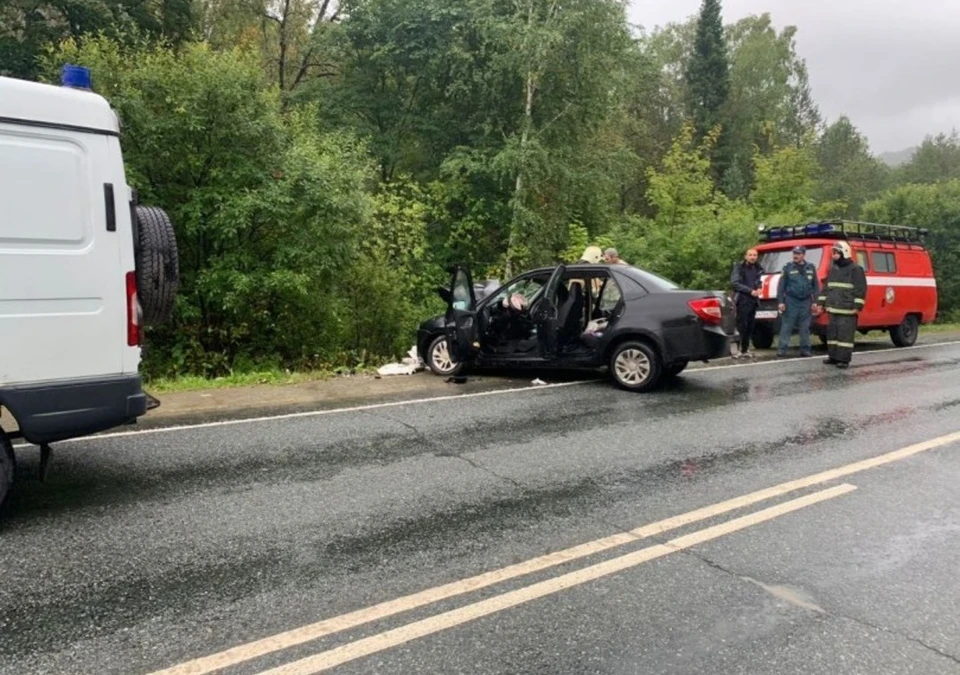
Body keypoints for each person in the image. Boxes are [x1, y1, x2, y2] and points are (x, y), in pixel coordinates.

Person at [817, 240, 867, 369]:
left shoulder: (856, 269)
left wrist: (857, 307)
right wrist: (821, 302)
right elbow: (827, 287)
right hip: (833, 309)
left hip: (847, 310)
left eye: (836, 252)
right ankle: (833, 357)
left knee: (845, 337)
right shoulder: (833, 268)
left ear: (844, 253)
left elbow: (860, 289)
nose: (833, 255)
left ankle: (843, 360)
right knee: (832, 335)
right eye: (833, 252)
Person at [776, 245, 819, 358]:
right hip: (791, 300)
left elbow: (815, 286)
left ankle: (805, 349)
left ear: (803, 255)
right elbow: (781, 286)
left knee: (805, 327)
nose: (795, 255)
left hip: (806, 301)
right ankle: (782, 349)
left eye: (798, 253)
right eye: (794, 253)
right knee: (787, 326)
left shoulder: (811, 267)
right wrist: (781, 301)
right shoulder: (787, 267)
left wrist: (815, 301)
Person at [729, 248, 764, 358]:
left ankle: (745, 349)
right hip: (742, 299)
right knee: (741, 325)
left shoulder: (758, 268)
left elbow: (759, 281)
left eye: (755, 255)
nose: (753, 257)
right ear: (745, 256)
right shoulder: (739, 267)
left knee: (750, 326)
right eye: (750, 255)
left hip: (753, 301)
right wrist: (750, 291)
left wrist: (759, 288)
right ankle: (737, 350)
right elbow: (734, 283)